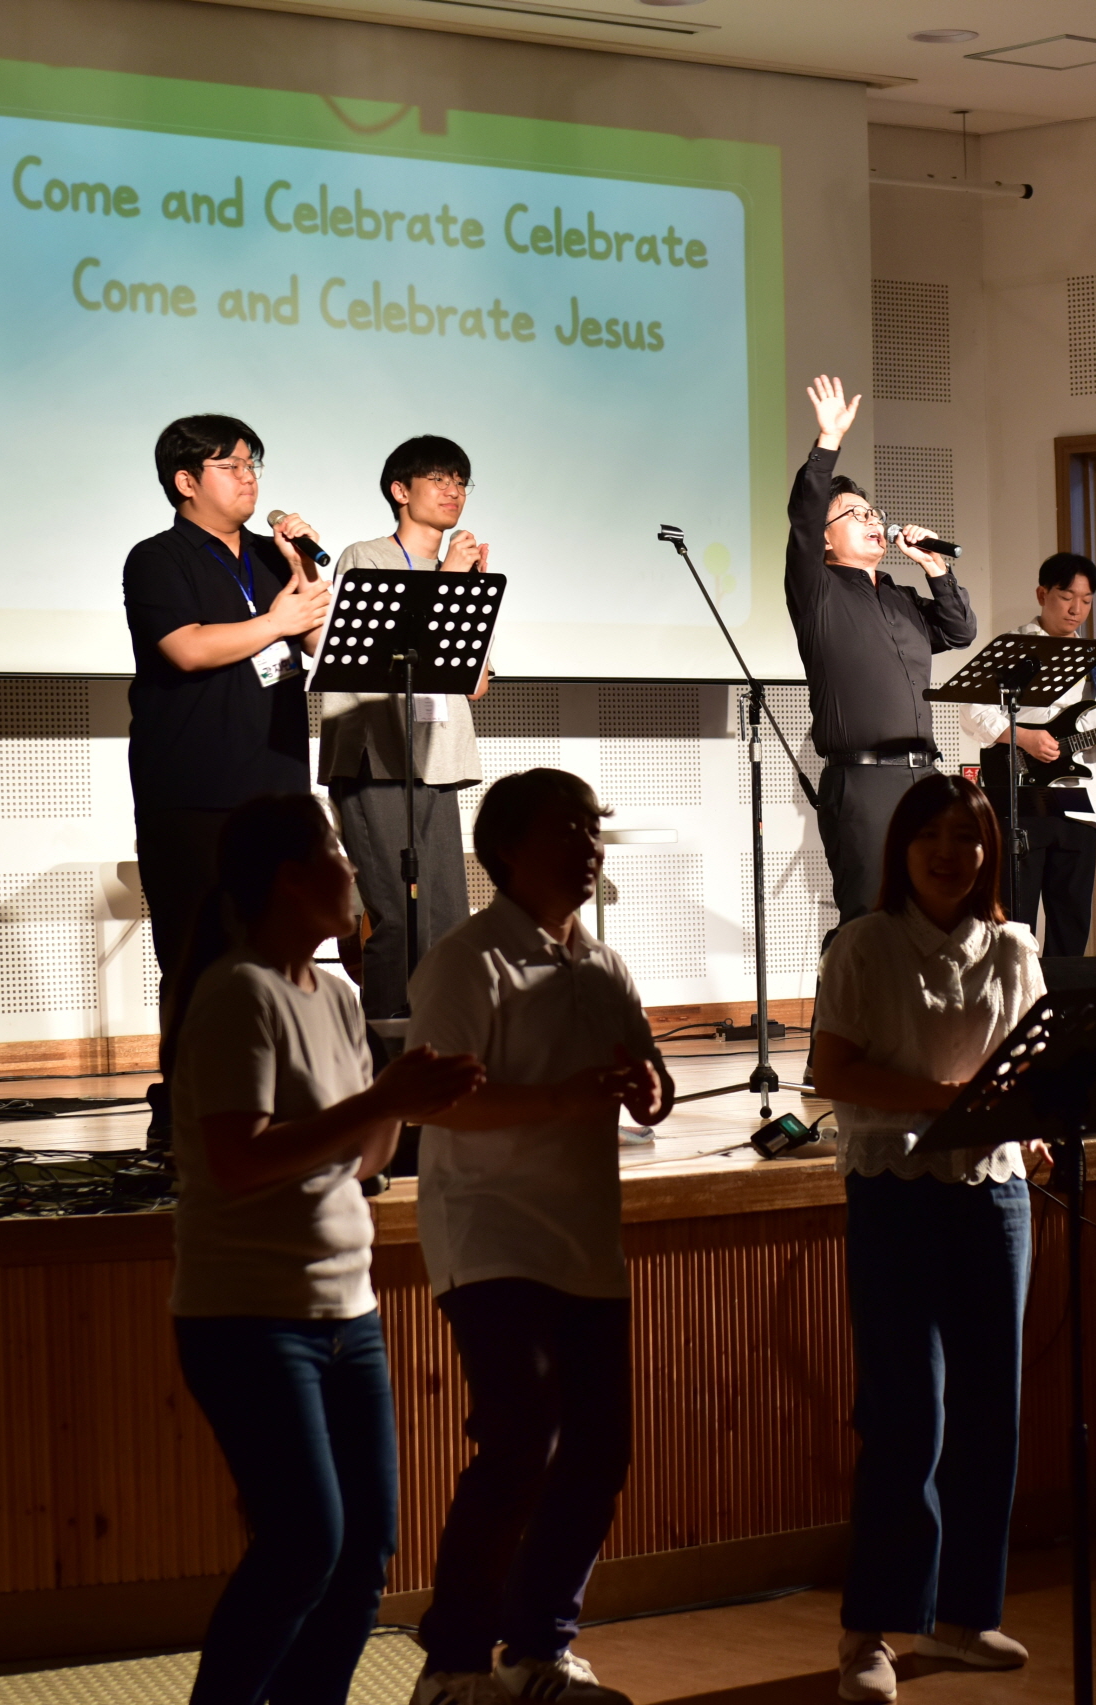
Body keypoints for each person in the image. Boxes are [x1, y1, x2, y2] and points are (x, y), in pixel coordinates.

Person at [168, 793, 484, 1705]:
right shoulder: (240, 992)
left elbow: (364, 1158)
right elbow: (237, 1160)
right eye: (339, 852)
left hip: (350, 1310)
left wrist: (403, 1101)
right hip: (249, 1316)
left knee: (364, 1552)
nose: (355, 869)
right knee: (305, 1540)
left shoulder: (339, 995)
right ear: (291, 879)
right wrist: (383, 1099)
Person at [404, 769, 674, 1705]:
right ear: (508, 848)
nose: (590, 845)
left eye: (593, 827)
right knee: (521, 1443)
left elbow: (649, 1074)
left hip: (585, 1240)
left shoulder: (604, 965)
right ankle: (451, 1665)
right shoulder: (466, 959)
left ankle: (537, 1650)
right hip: (491, 1236)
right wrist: (564, 1098)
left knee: (599, 1452)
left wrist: (651, 1090)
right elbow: (439, 1101)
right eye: (569, 829)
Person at [811, 773, 1046, 1705]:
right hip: (895, 1188)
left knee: (994, 1411)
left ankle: (962, 1617)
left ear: (990, 851)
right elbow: (831, 1068)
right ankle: (868, 1630)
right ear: (901, 849)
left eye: (967, 837)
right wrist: (942, 1101)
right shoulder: (864, 944)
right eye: (931, 837)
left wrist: (1028, 1124)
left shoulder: (1013, 947)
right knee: (907, 1414)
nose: (950, 854)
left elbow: (1030, 1063)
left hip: (996, 1191)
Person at [125, 414, 331, 1136]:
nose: (248, 478)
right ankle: (187, 1114)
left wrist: (306, 572)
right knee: (196, 956)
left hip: (278, 780)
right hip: (193, 786)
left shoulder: (275, 559)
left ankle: (280, 1103)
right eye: (231, 465)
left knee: (280, 949)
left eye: (253, 465)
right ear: (186, 481)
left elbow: (317, 640)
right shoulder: (157, 559)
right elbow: (186, 648)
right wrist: (276, 621)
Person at [785, 375, 978, 927]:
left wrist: (935, 567)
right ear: (826, 537)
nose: (873, 520)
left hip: (926, 778)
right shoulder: (817, 591)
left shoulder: (901, 598)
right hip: (863, 783)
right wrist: (828, 440)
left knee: (934, 917)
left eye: (874, 513)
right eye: (856, 515)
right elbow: (803, 516)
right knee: (871, 921)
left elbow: (960, 630)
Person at [320, 435, 497, 1017]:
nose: (453, 491)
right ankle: (388, 1057)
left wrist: (466, 589)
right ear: (401, 490)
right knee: (398, 919)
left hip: (436, 759)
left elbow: (473, 682)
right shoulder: (365, 557)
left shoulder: (462, 572)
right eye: (438, 479)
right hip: (376, 757)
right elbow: (376, 660)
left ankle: (442, 1047)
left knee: (446, 920)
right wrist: (449, 580)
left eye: (461, 482)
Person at [958, 552, 1096, 955]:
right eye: (1066, 597)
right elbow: (973, 711)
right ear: (1042, 594)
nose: (1077, 609)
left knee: (1071, 922)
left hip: (1080, 806)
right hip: (1023, 800)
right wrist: (1023, 738)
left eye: (1087, 600)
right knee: (1013, 920)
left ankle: (1065, 996)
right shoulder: (1013, 648)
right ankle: (1014, 994)